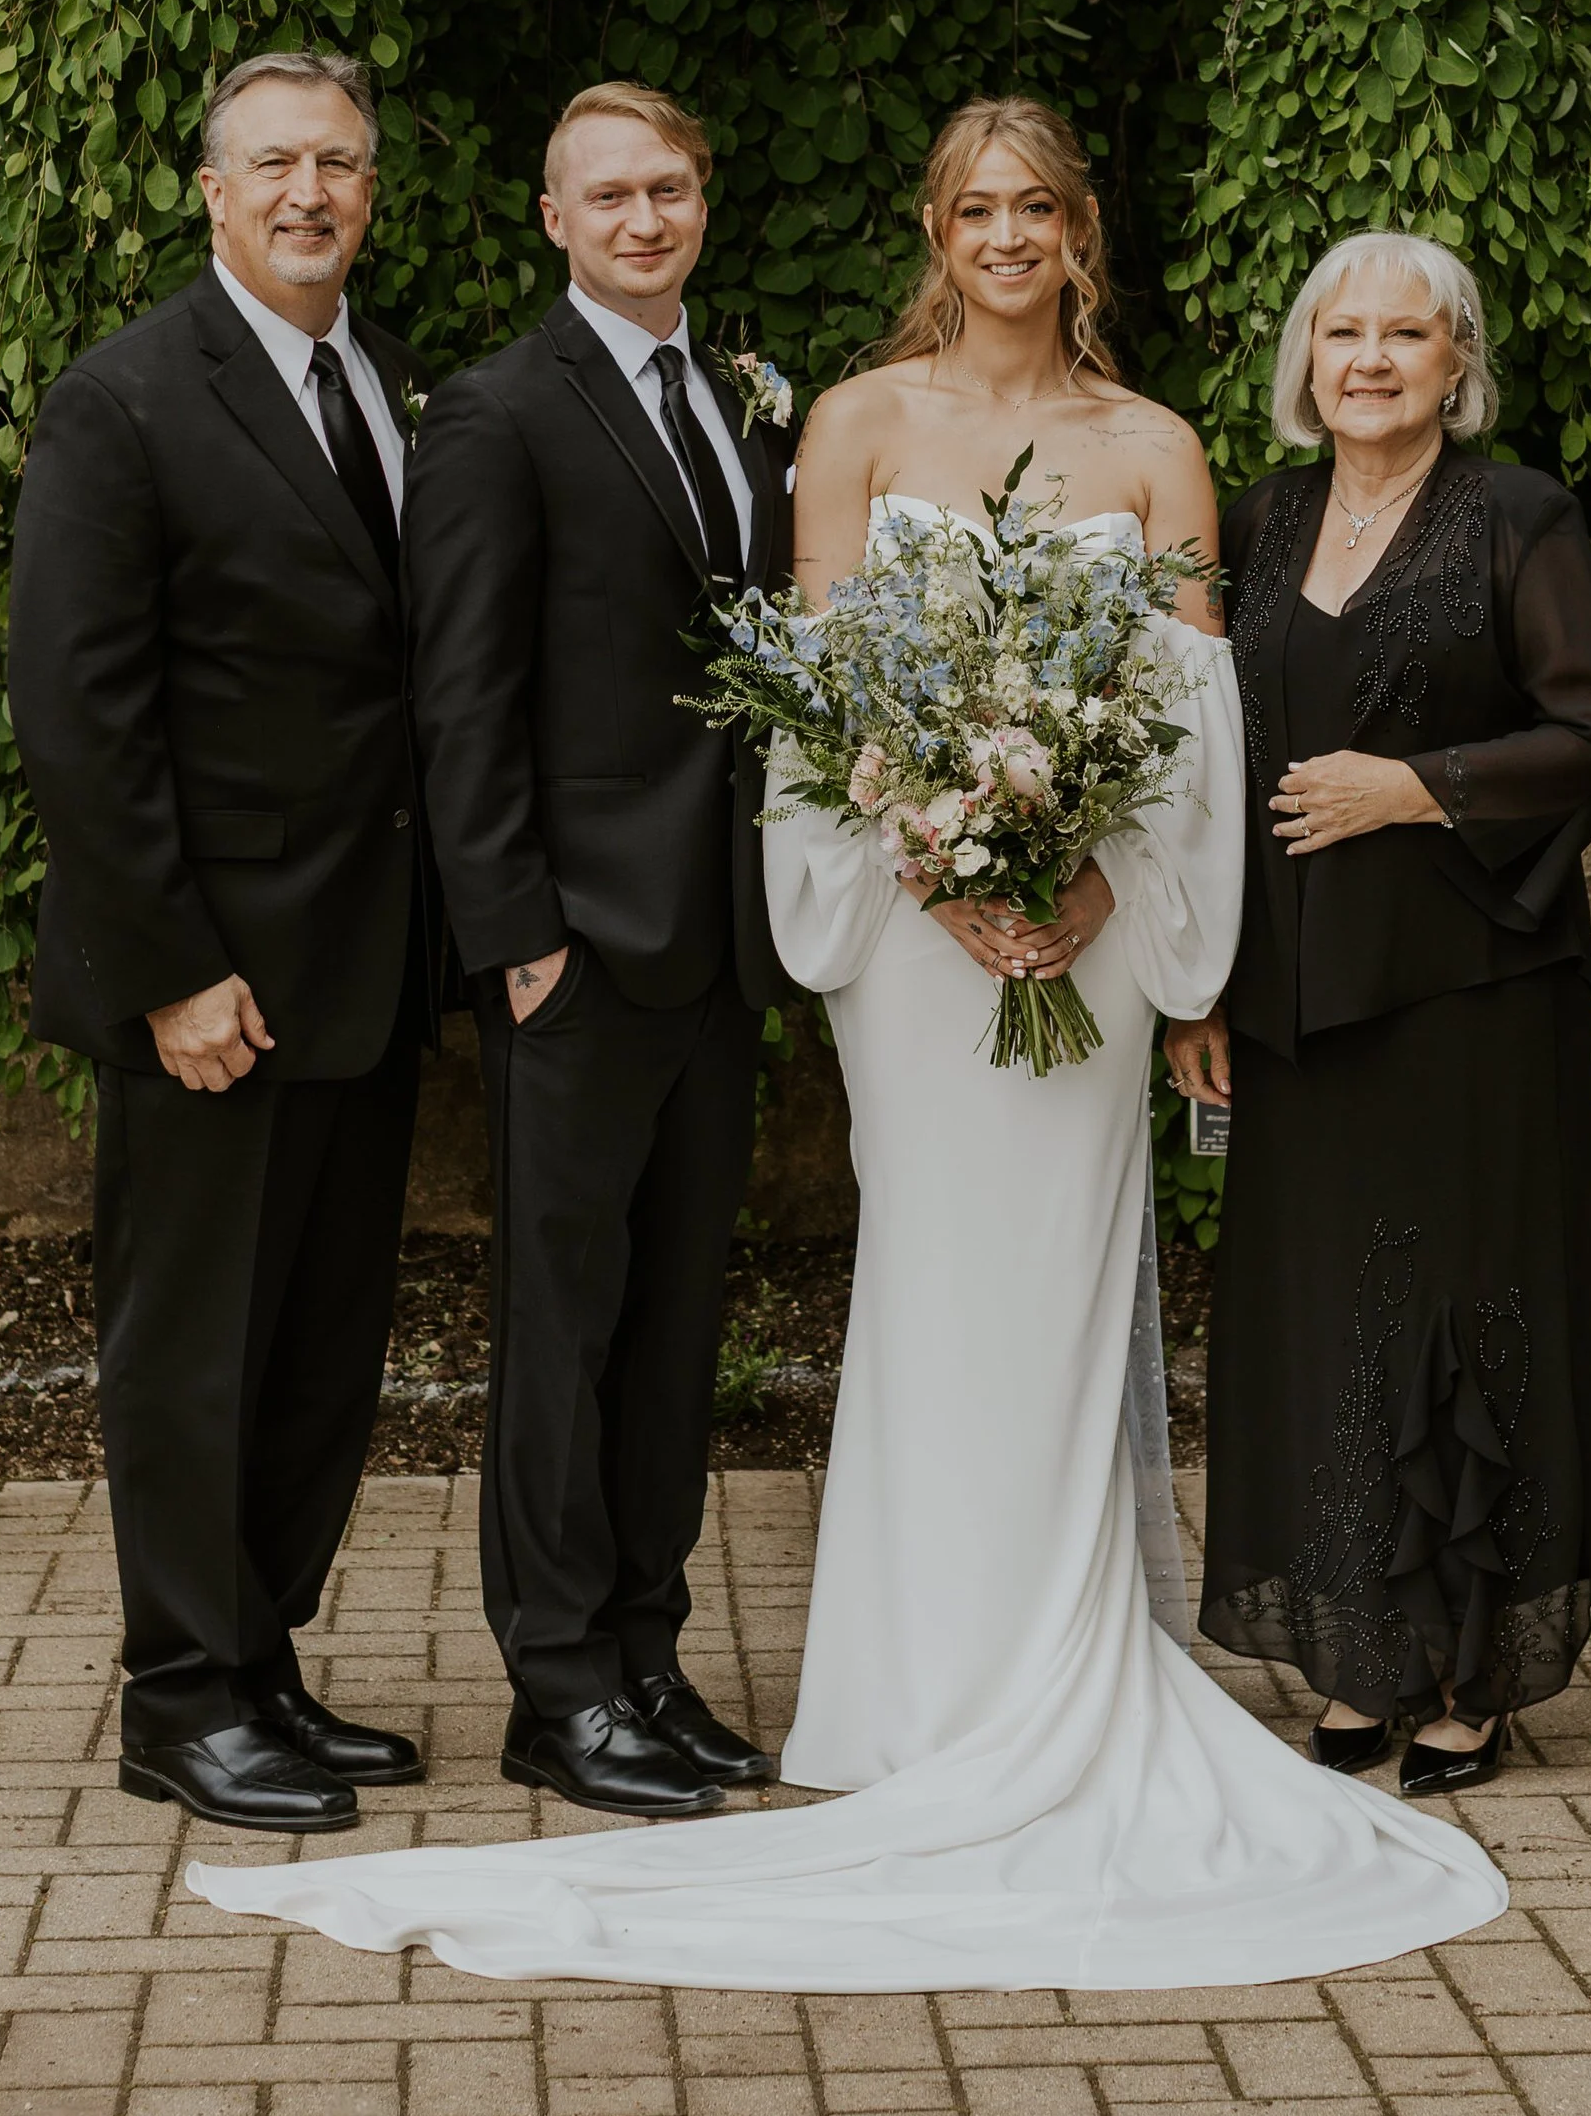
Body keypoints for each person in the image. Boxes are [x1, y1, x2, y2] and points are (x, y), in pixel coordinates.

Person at [191, 100, 1504, 1988]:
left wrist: (1102, 899)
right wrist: (934, 850)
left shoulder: (1160, 447)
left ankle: (1042, 1667)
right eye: (973, 205)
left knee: (1052, 1291)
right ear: (934, 223)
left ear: (1079, 228)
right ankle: (886, 1701)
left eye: (1035, 206)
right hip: (911, 942)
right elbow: (808, 704)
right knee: (921, 1286)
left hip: (1093, 934)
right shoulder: (852, 426)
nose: (1003, 234)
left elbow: (1200, 720)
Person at [8, 48, 440, 1835]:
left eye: (336, 163)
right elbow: (77, 713)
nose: (308, 193)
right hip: (217, 979)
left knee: (323, 1343)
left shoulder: (388, 384)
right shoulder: (124, 403)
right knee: (191, 1346)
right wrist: (173, 966)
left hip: (367, 959)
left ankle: (261, 1654)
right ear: (212, 189)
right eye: (272, 164)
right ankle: (180, 1695)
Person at [1167, 230, 1591, 1796]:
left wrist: (1418, 788)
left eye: (1404, 335)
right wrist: (1205, 984)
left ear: (1458, 361)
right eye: (1341, 331)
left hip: (1471, 995)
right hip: (1300, 1007)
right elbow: (1208, 774)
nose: (1368, 358)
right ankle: (1364, 1648)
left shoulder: (1519, 515)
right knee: (1330, 1324)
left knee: (1464, 1320)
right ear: (1306, 358)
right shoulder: (1262, 517)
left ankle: (1465, 1667)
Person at [395, 81, 796, 1821]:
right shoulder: (496, 412)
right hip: (578, 948)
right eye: (609, 195)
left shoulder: (735, 396)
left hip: (717, 943)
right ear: (553, 217)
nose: (645, 218)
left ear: (705, 201)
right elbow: (461, 697)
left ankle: (645, 1648)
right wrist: (518, 942)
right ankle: (556, 1687)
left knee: (674, 1324)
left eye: (671, 189)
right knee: (561, 1330)